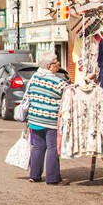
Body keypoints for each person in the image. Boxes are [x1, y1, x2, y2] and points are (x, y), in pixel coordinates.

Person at [24, 56, 67, 184]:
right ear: (49, 66)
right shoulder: (57, 82)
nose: (58, 64)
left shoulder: (34, 78)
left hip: (35, 118)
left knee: (38, 146)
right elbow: (70, 93)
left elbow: (28, 95)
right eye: (56, 62)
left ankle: (34, 175)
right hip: (51, 120)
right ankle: (52, 178)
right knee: (53, 148)